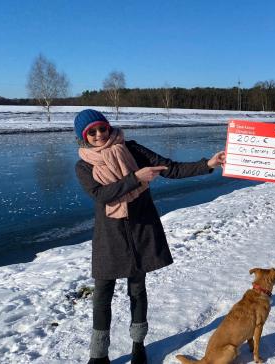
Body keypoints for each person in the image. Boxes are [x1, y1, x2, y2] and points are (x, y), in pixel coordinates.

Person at [73, 109, 225, 364]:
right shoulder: (83, 165)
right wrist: (135, 178)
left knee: (137, 289)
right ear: (83, 136)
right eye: (92, 132)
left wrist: (208, 164)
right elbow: (102, 195)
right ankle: (98, 355)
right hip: (110, 236)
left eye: (103, 128)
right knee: (102, 295)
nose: (99, 135)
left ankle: (138, 346)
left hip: (141, 229)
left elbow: (170, 168)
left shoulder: (131, 149)